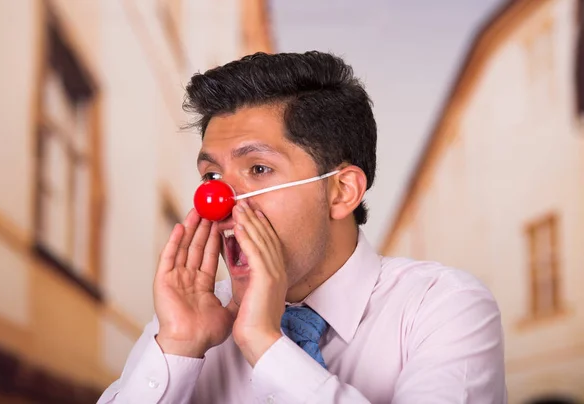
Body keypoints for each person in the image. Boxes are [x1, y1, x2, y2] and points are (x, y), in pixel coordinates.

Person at [97, 51, 507, 403]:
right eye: (210, 177)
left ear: (342, 191)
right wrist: (179, 345)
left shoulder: (442, 307)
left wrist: (265, 342)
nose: (217, 202)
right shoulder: (192, 317)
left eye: (258, 168)